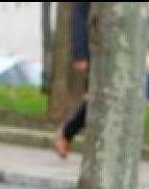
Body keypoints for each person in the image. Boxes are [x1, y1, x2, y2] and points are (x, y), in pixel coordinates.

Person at [55, 1, 92, 158]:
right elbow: (79, 15)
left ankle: (67, 133)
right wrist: (80, 53)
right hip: (98, 49)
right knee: (95, 99)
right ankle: (67, 133)